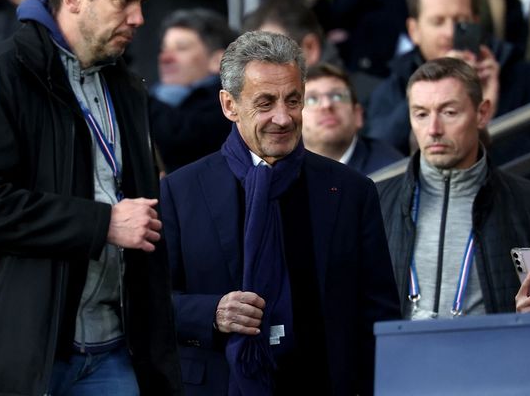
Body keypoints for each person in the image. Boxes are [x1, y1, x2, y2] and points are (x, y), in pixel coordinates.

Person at [0, 0, 182, 394]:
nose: (139, 18)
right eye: (123, 1)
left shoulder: (125, 84)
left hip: (114, 348)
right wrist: (103, 223)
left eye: (142, 2)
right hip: (22, 356)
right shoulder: (0, 72)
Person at [160, 30, 401, 395]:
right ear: (229, 105)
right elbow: (149, 303)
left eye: (293, 100)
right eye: (265, 103)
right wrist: (211, 313)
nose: (283, 118)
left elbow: (378, 313)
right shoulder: (181, 191)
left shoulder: (351, 191)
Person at [376, 57, 530, 320]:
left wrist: (523, 321)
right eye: (421, 114)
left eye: (449, 112)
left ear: (482, 113)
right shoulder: (375, 202)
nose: (434, 129)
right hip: (399, 358)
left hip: (492, 358)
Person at [366, 0, 530, 183]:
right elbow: (379, 157)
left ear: (476, 23)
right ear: (414, 30)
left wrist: (485, 117)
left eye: (460, 22)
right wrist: (424, 96)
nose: (449, 33)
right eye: (438, 22)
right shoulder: (394, 86)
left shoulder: (525, 76)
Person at [149, 8, 238, 173]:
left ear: (216, 60)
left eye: (181, 48)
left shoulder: (229, 103)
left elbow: (180, 140)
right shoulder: (158, 98)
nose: (165, 58)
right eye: (164, 49)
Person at [302, 62, 404, 175]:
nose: (326, 105)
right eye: (311, 99)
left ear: (357, 115)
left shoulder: (390, 172)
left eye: (337, 96)